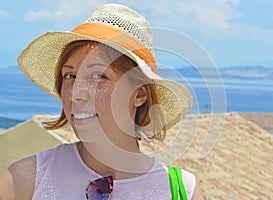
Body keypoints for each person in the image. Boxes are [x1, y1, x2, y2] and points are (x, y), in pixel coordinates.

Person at [0, 3, 204, 200]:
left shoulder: (182, 191)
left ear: (139, 94)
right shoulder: (23, 182)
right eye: (69, 76)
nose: (76, 94)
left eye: (98, 76)